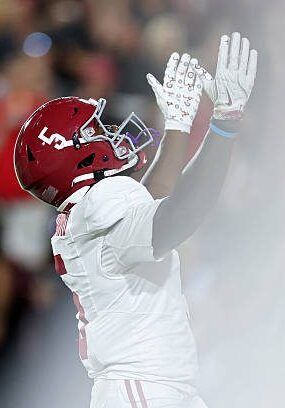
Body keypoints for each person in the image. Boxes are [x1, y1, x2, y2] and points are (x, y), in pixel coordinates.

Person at [12, 32, 258, 408]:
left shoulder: (85, 212)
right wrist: (224, 123)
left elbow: (154, 202)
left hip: (143, 387)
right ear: (71, 156)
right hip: (144, 389)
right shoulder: (98, 206)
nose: (107, 135)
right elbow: (180, 214)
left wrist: (177, 126)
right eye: (93, 132)